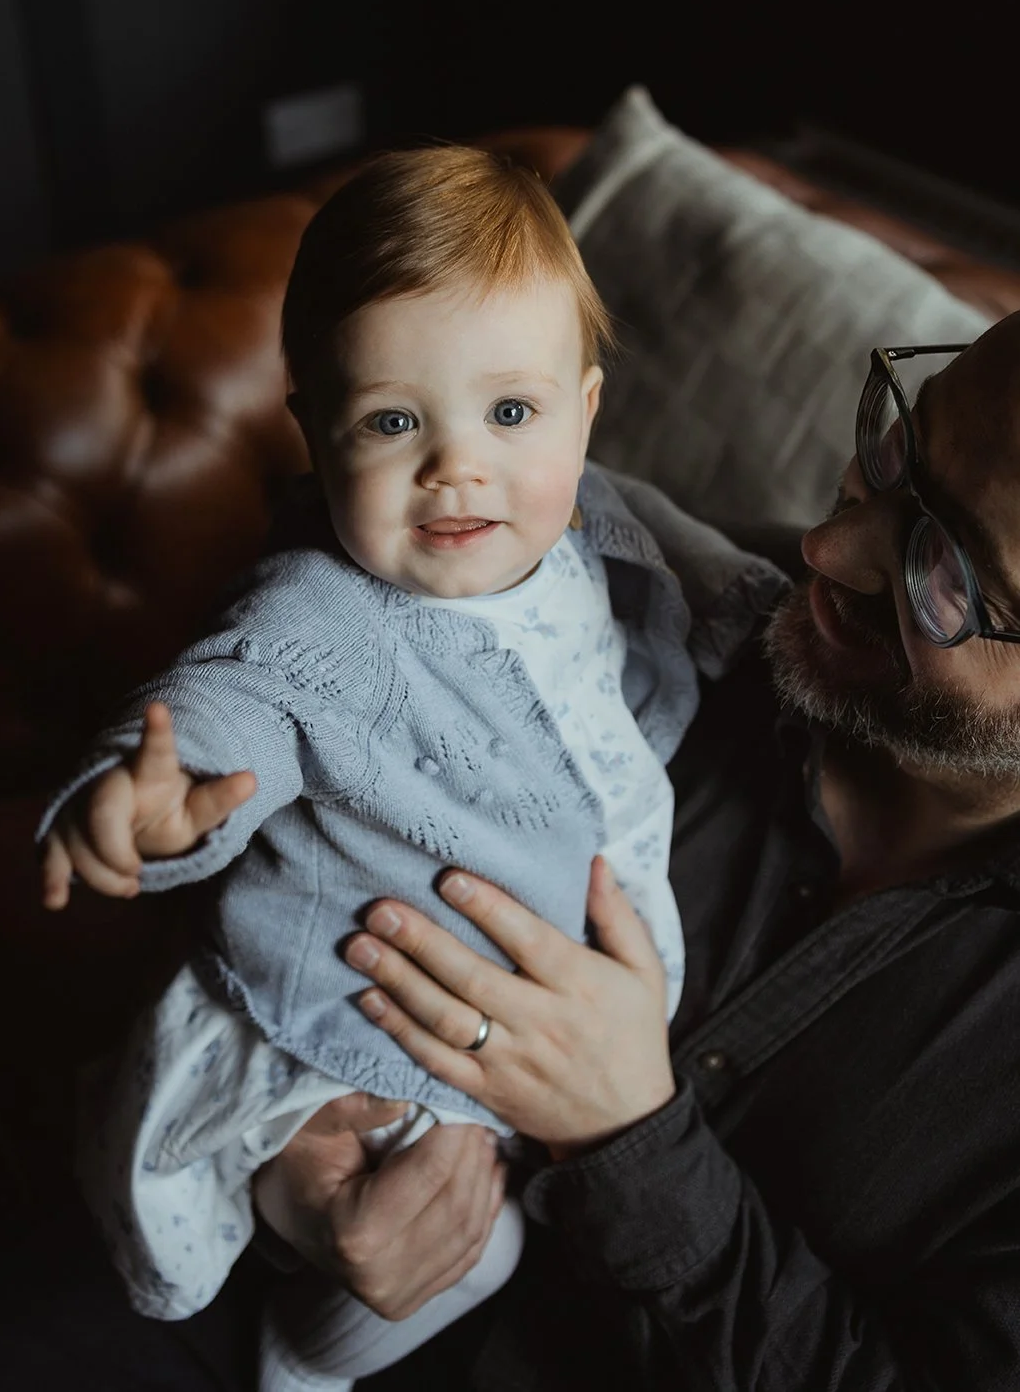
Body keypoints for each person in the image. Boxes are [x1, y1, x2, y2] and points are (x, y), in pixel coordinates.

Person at [35, 147, 783, 1392]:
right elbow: (229, 697)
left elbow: (707, 578)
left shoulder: (596, 513)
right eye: (392, 422)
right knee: (472, 1250)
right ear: (313, 434)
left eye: (509, 413)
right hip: (372, 1027)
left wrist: (753, 616)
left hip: (545, 1005)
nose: (457, 467)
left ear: (585, 410)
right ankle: (305, 1368)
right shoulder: (323, 616)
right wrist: (152, 795)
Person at [254, 326, 1020, 1390]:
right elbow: (290, 709)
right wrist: (290, 1143)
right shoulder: (674, 600)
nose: (830, 549)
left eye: (950, 569)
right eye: (897, 450)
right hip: (233, 1278)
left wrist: (627, 1137)